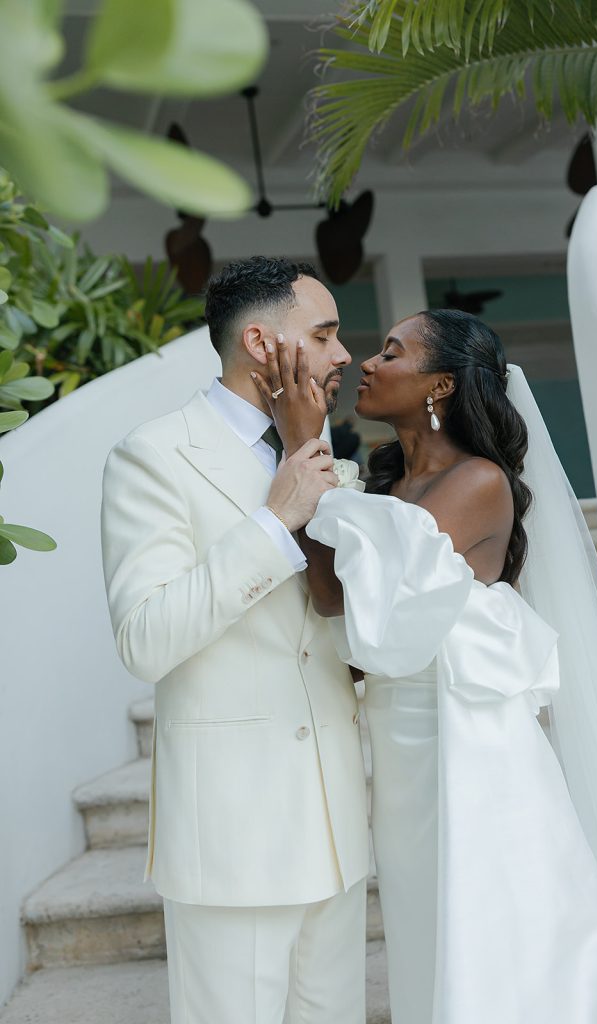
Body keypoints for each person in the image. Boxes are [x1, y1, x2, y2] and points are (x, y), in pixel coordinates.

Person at [256, 308, 597, 1023]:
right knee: (432, 928)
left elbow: (382, 613)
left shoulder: (481, 484)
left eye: (392, 352)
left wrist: (302, 442)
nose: (367, 363)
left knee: (498, 929)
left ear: (439, 385)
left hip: (473, 746)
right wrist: (312, 459)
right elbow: (331, 598)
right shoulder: (381, 493)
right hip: (402, 751)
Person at [100, 257, 369, 1024]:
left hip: (337, 823)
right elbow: (144, 639)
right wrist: (271, 523)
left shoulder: (325, 456)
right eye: (324, 334)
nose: (343, 354)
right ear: (260, 342)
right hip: (233, 836)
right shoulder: (153, 455)